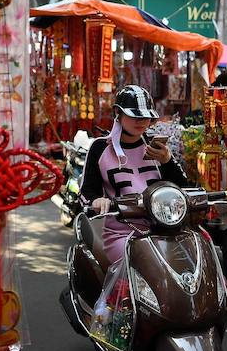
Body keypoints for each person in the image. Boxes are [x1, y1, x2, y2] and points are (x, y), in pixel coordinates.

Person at [80, 85, 190, 265]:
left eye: (145, 116)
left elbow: (183, 188)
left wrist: (167, 161)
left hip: (165, 230)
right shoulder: (100, 148)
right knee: (141, 263)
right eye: (134, 116)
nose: (141, 121)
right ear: (118, 113)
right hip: (122, 233)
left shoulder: (156, 147)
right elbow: (86, 191)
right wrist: (97, 201)